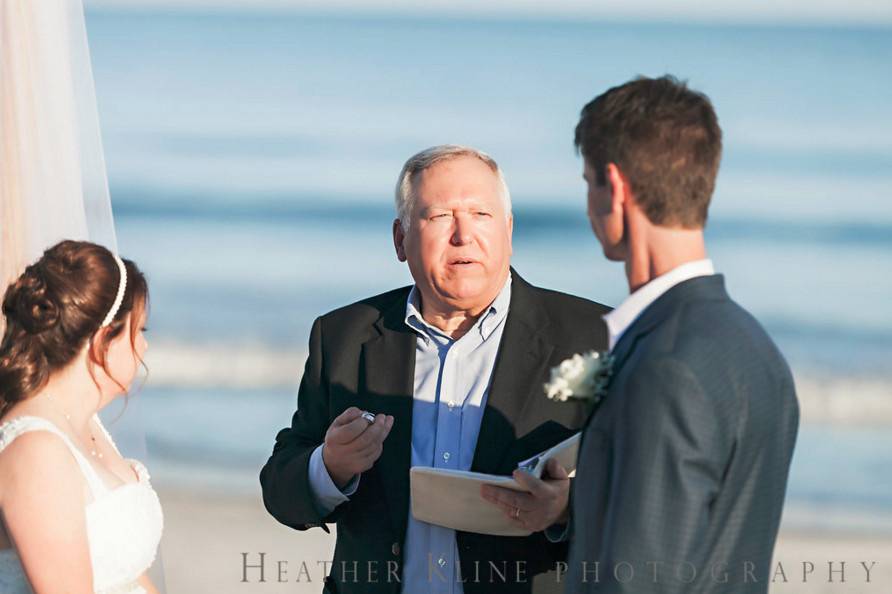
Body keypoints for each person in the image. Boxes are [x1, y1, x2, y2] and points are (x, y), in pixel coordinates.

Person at [260, 145, 611, 594]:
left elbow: (647, 498)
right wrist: (330, 466)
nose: (463, 235)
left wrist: (565, 508)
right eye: (439, 216)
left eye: (481, 214)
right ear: (400, 240)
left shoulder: (595, 337)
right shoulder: (343, 337)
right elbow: (280, 490)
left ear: (508, 230)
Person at [562, 76, 799, 593]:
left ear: (616, 188)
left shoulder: (665, 367)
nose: (587, 205)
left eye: (588, 182)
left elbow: (639, 579)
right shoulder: (756, 348)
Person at [0, 240, 163, 594]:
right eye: (139, 331)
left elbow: (128, 573)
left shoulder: (85, 424)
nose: (145, 347)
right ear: (104, 339)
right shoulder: (35, 450)